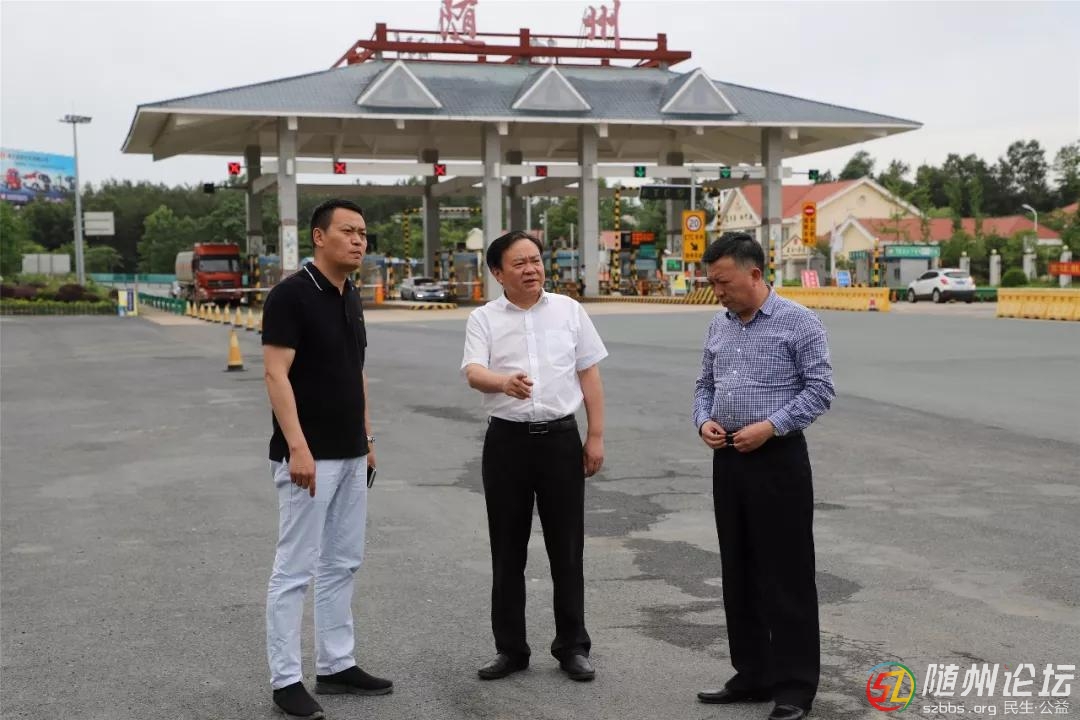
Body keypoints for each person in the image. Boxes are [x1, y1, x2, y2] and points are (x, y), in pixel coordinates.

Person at [692, 232, 835, 720]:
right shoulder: (718, 324)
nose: (718, 292)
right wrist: (703, 421)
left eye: (724, 282)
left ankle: (794, 687)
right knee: (739, 570)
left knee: (786, 574)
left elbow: (820, 390)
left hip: (778, 460)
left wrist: (771, 426)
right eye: (712, 283)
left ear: (755, 274)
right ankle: (752, 673)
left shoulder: (800, 322)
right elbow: (704, 385)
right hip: (729, 458)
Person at [262, 199, 391, 720]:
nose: (359, 240)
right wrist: (298, 446)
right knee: (295, 569)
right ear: (319, 236)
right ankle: (285, 680)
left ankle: (337, 665)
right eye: (348, 231)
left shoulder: (350, 294)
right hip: (309, 458)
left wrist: (367, 436)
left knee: (342, 562)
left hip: (351, 453)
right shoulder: (290, 295)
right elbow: (275, 373)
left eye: (363, 233)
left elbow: (355, 371)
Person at [461, 230, 607, 683]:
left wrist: (595, 436)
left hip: (561, 440)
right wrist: (502, 382)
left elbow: (589, 373)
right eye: (519, 263)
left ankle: (573, 647)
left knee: (567, 548)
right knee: (507, 550)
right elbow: (474, 372)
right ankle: (510, 650)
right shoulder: (484, 318)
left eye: (536, 260)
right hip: (507, 444)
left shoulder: (569, 310)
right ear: (498, 272)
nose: (531, 269)